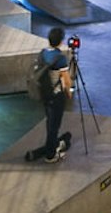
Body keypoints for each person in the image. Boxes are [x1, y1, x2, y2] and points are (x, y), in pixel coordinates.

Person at [24, 28, 74, 163]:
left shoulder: (43, 53)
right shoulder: (60, 58)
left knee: (50, 122)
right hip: (56, 96)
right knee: (54, 126)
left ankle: (51, 146)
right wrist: (69, 93)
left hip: (45, 94)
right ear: (61, 41)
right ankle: (51, 155)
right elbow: (67, 81)